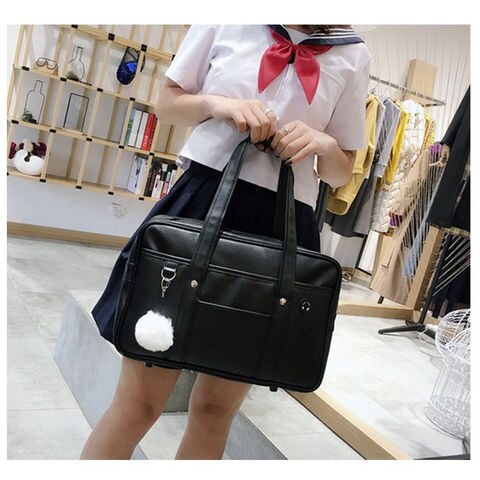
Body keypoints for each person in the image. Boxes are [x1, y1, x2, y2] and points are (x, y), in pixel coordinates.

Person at [81, 24, 370, 460]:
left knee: (216, 413)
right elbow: (168, 104)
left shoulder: (352, 53)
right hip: (199, 206)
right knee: (137, 406)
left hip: (281, 229)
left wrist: (324, 145)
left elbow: (341, 170)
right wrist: (218, 104)